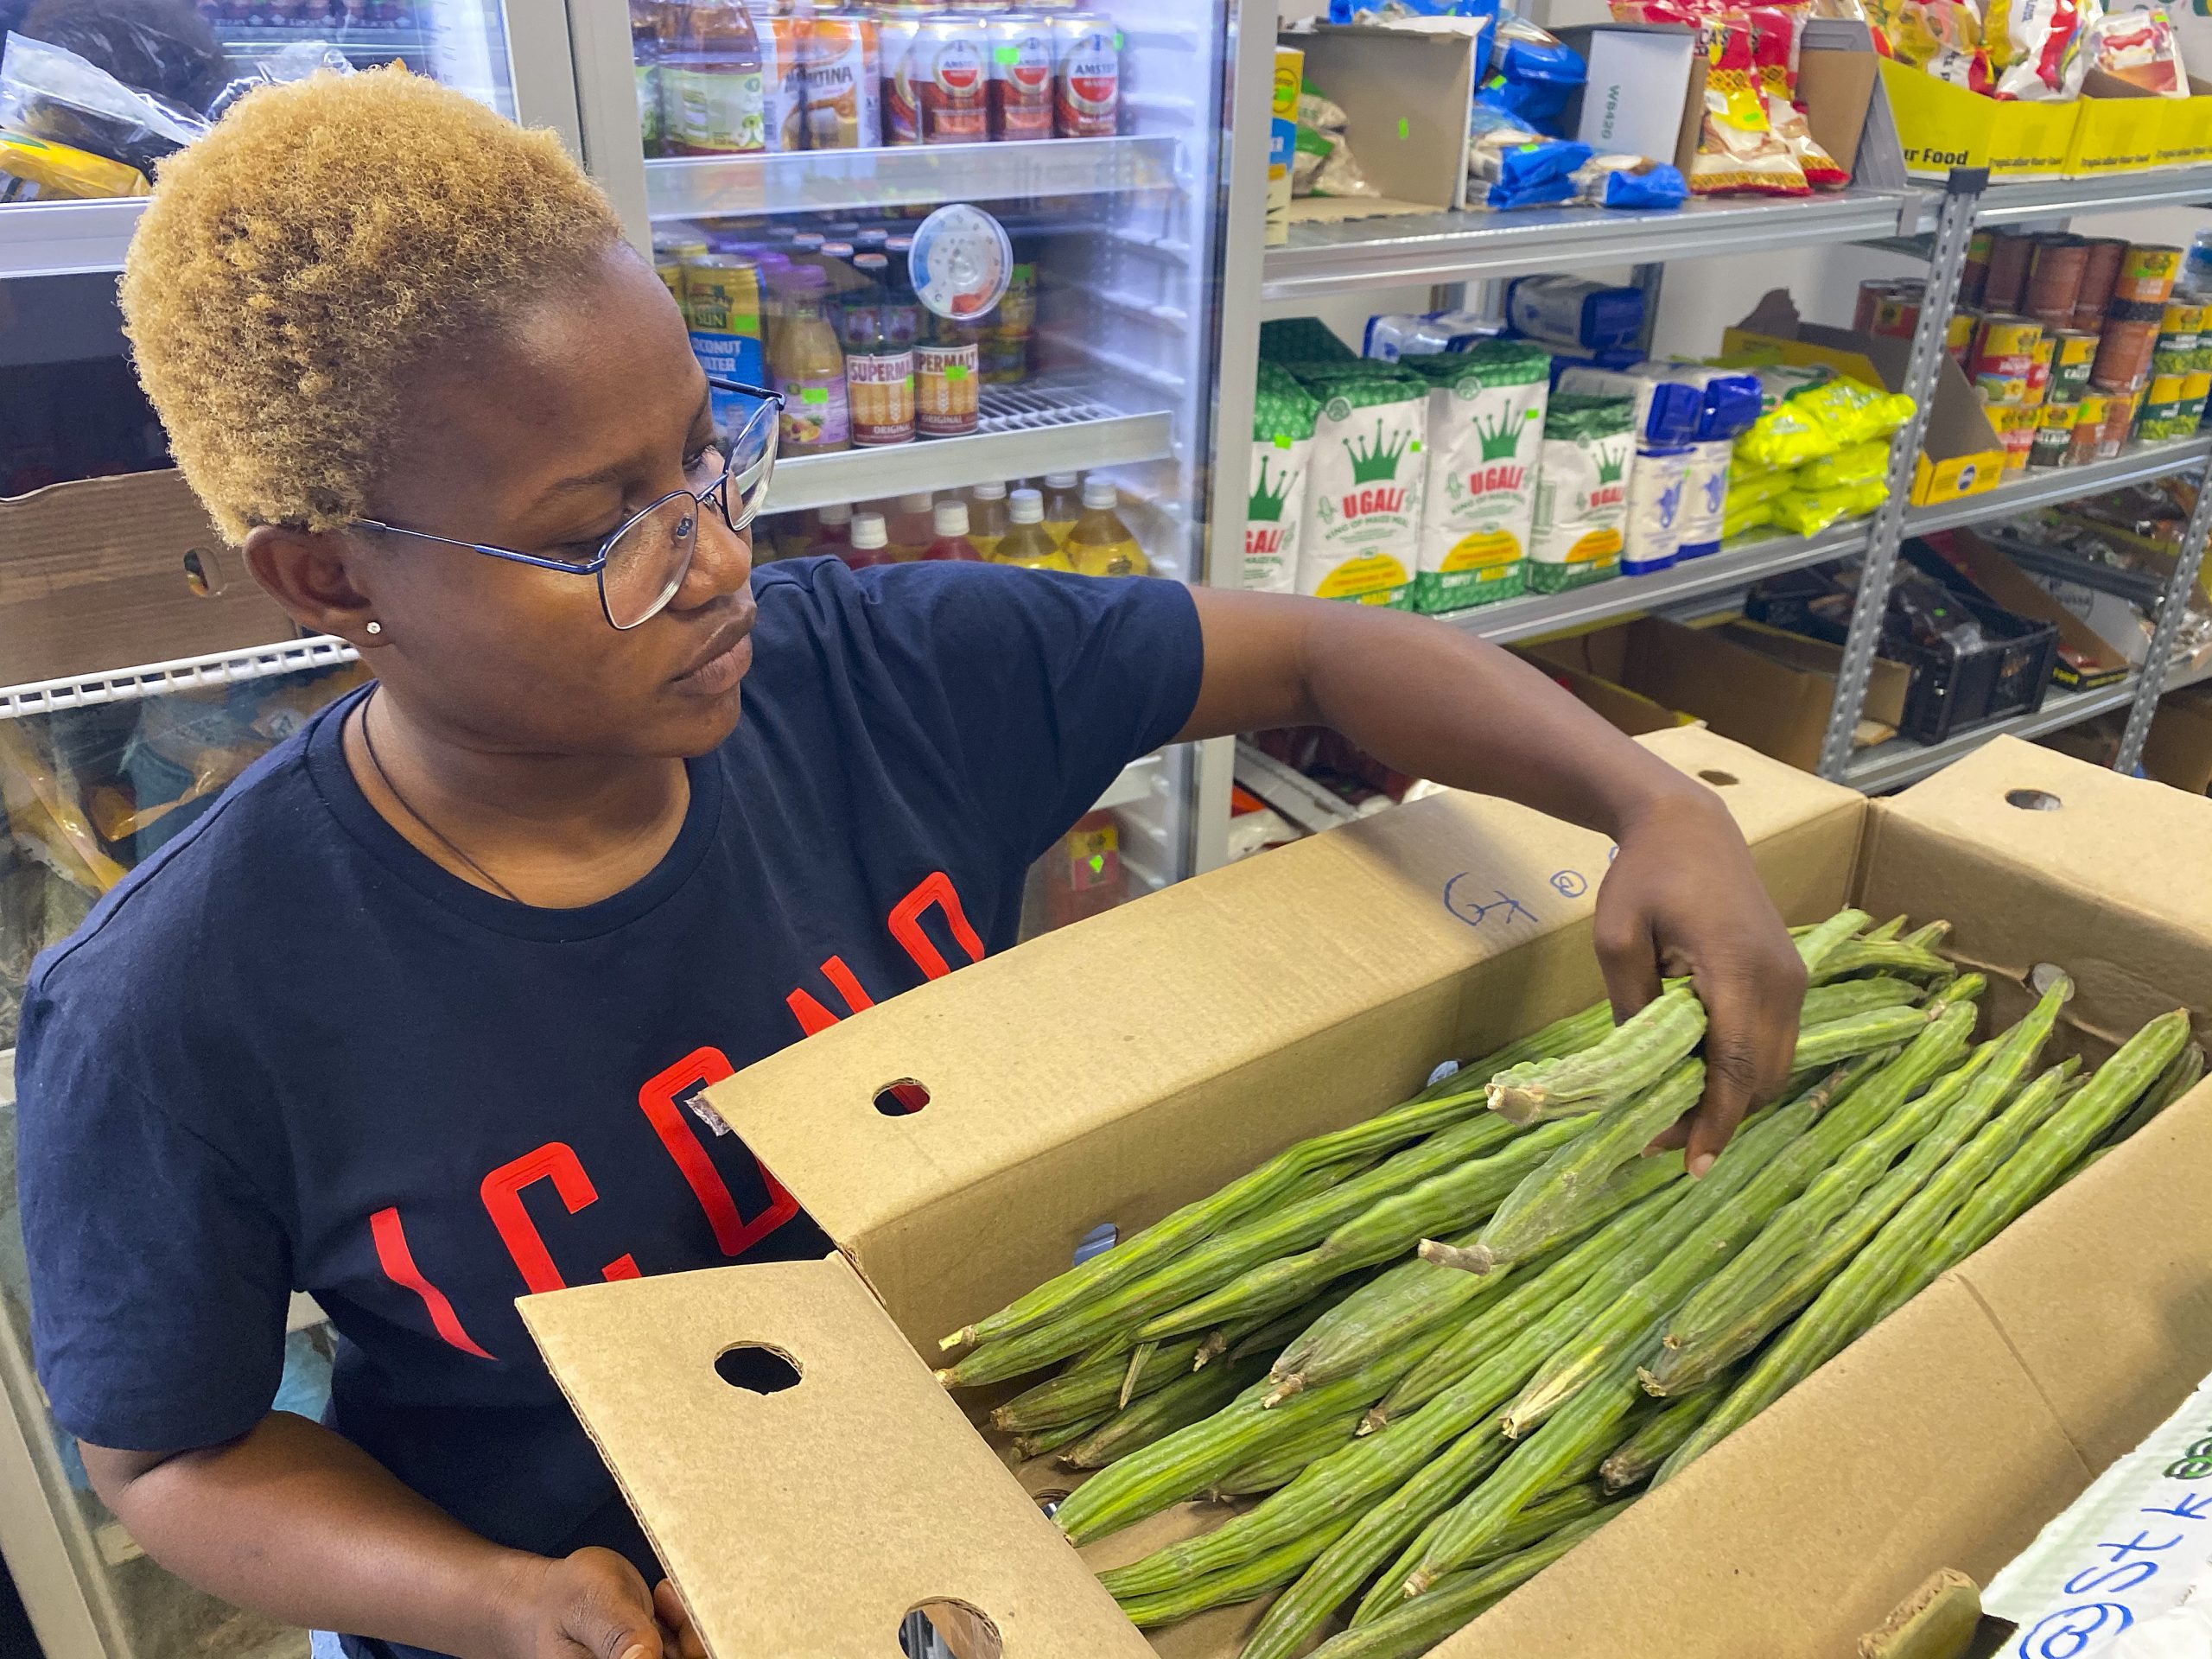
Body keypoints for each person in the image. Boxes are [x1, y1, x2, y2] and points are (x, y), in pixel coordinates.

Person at [14, 67, 1803, 1659]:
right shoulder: (180, 1008)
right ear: (333, 582)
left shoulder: (879, 679)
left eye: (708, 470)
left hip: (1005, 1504)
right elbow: (168, 1453)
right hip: (608, 1596)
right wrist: (492, 1599)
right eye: (597, 538)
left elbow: (1319, 652)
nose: (712, 563)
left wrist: (1655, 806)